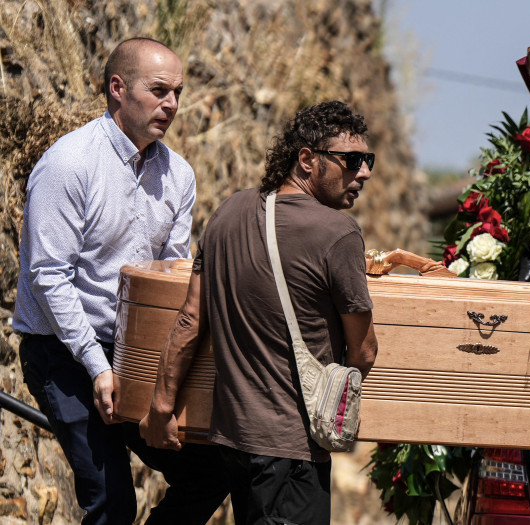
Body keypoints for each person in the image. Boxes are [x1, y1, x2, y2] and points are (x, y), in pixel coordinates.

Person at [14, 37, 228, 524]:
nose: (171, 104)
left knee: (211, 473)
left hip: (132, 350)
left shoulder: (179, 175)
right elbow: (48, 277)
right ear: (118, 88)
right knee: (112, 501)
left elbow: (172, 279)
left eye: (177, 91)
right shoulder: (69, 164)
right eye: (158, 90)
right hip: (61, 350)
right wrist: (97, 366)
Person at [140, 100, 379, 524]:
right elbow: (363, 353)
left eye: (368, 161)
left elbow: (191, 321)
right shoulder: (338, 234)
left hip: (231, 441)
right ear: (306, 159)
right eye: (352, 160)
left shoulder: (227, 213)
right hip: (292, 450)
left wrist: (161, 406)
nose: (363, 172)